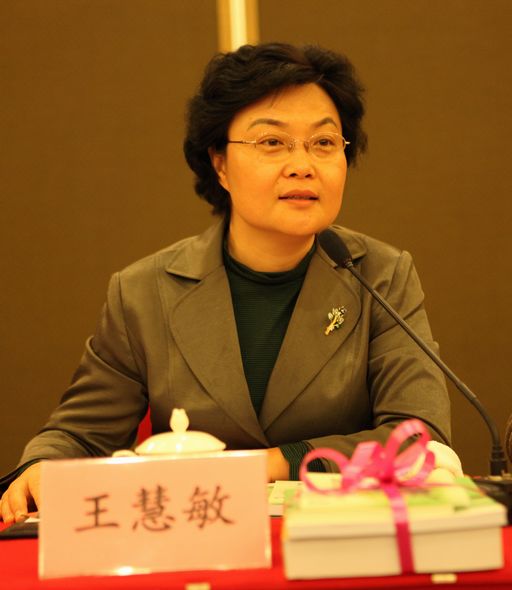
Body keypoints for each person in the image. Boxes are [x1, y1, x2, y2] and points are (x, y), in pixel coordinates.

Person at [0, 42, 451, 524]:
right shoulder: (144, 291)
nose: (302, 164)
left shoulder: (380, 274)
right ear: (220, 164)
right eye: (272, 142)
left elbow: (418, 435)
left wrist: (261, 466)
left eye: (323, 143)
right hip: (196, 541)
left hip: (340, 535)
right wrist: (41, 465)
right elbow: (79, 436)